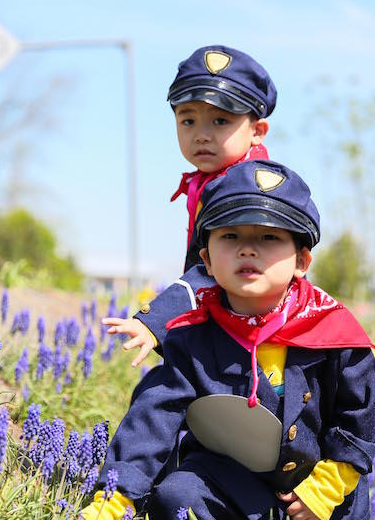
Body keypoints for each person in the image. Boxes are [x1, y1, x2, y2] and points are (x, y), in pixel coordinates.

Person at [80, 160, 375, 520]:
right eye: (230, 235)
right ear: (205, 259)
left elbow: (357, 421)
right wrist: (116, 501)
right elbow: (151, 422)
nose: (247, 249)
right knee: (177, 496)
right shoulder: (191, 338)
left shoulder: (335, 334)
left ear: (302, 260)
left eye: (269, 237)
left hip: (318, 494)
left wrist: (325, 490)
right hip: (231, 487)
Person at [104, 45, 277, 366]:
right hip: (225, 324)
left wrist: (155, 320)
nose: (201, 135)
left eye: (220, 120)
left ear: (257, 131)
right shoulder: (214, 180)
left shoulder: (249, 190)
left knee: (162, 401)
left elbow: (217, 269)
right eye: (188, 121)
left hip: (252, 336)